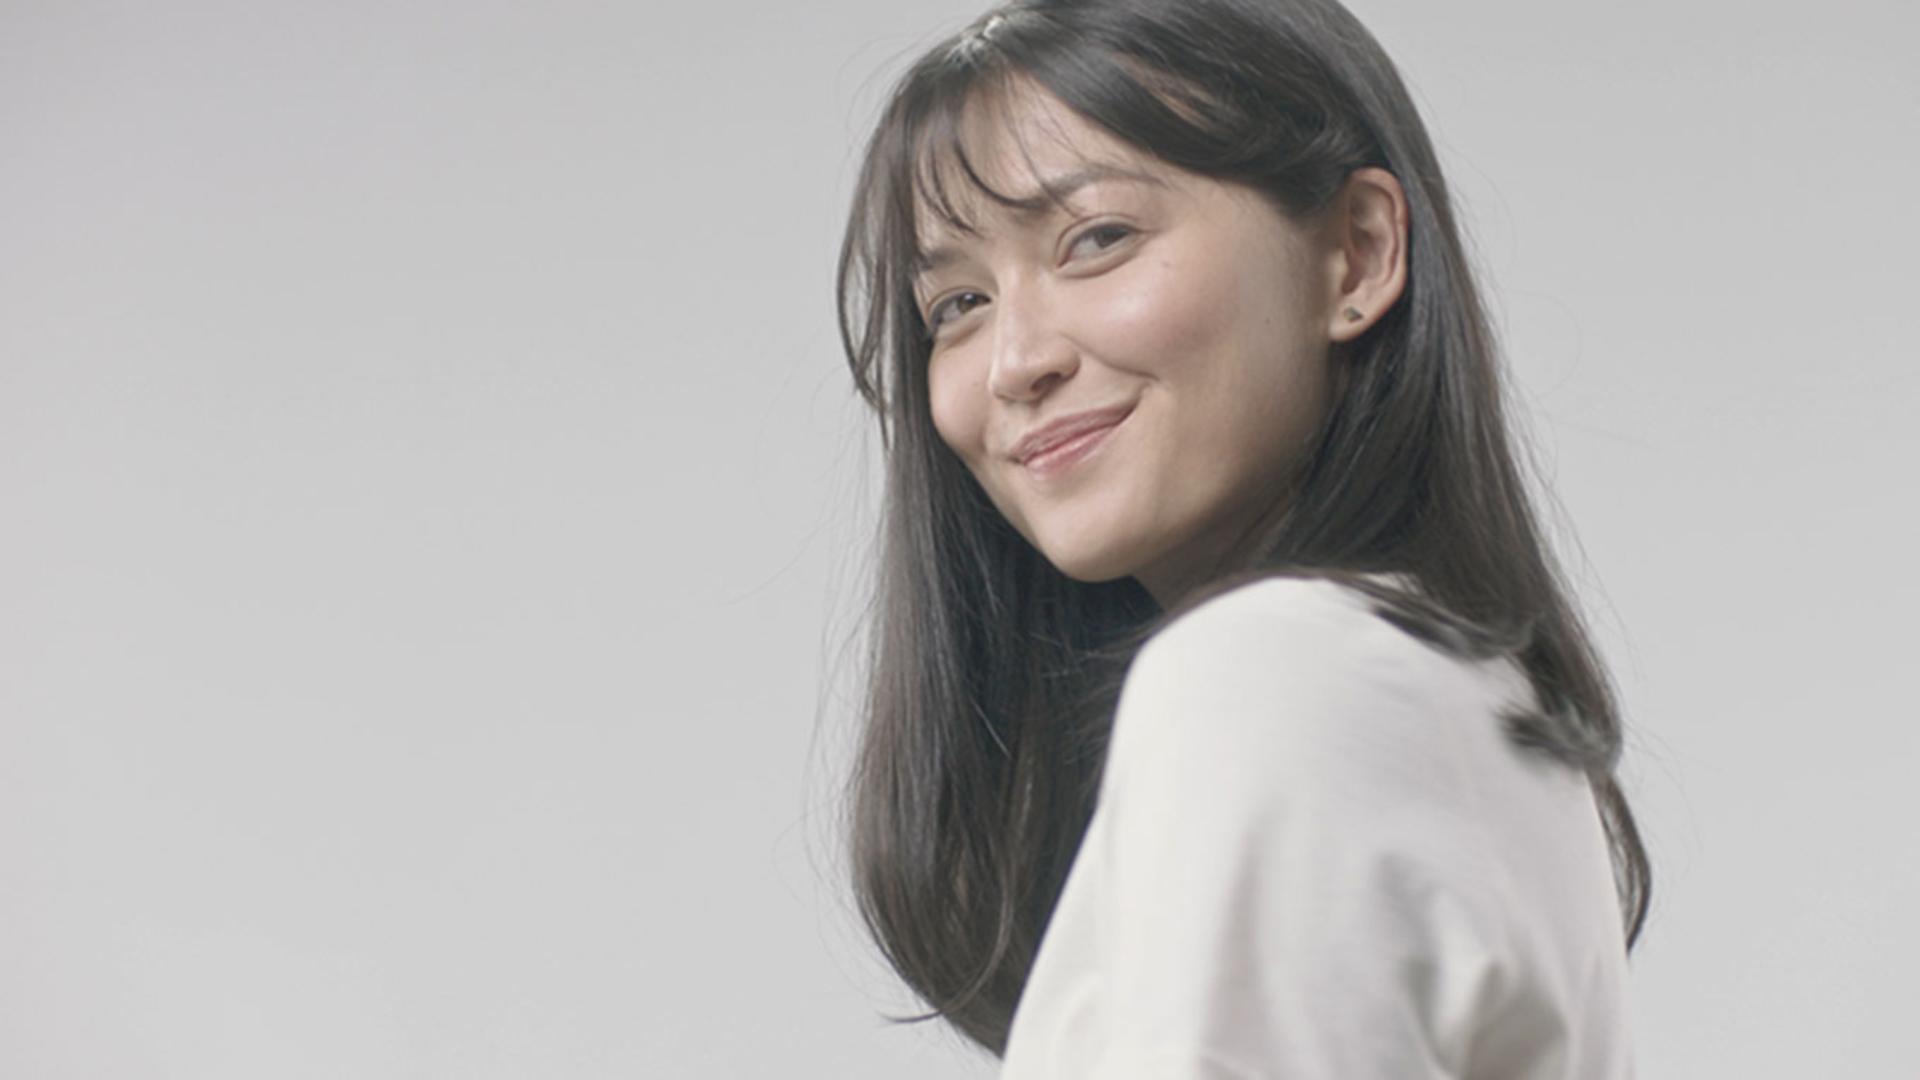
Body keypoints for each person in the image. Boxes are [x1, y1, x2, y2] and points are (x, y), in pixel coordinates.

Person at [832, 0, 1651, 1075]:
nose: (1012, 362)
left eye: (1097, 238)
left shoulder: (1272, 670)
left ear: (1356, 257)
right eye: (957, 303)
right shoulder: (1465, 694)